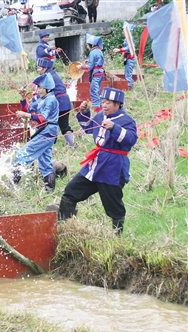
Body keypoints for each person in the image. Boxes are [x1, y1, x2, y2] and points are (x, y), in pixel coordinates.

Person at [56, 88, 138, 235]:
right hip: (95, 164)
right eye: (103, 102)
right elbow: (89, 128)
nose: (104, 105)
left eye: (108, 103)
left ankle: (117, 237)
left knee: (114, 206)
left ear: (118, 104)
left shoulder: (127, 120)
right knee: (70, 192)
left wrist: (114, 128)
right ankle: (63, 229)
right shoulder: (101, 115)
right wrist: (85, 113)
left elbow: (131, 140)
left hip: (113, 166)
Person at [12, 73, 59, 192]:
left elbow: (43, 118)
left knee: (21, 155)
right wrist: (23, 97)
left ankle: (12, 185)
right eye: (38, 87)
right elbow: (28, 109)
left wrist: (26, 115)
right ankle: (50, 190)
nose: (38, 90)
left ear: (48, 89)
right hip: (43, 131)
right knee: (45, 163)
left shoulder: (51, 100)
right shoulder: (41, 99)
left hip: (46, 133)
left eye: (41, 88)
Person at [36, 58, 75, 149]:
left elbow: (44, 93)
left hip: (57, 104)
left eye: (39, 68)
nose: (38, 70)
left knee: (50, 126)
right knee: (65, 126)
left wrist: (35, 100)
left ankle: (48, 148)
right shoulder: (53, 73)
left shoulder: (46, 77)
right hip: (65, 102)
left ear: (44, 68)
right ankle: (72, 147)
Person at [77, 33, 105, 113]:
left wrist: (81, 66)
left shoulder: (92, 53)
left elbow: (89, 67)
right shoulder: (99, 51)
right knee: (97, 91)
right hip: (101, 73)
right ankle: (100, 108)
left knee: (94, 92)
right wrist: (89, 61)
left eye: (87, 45)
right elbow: (98, 61)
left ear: (91, 45)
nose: (87, 46)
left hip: (96, 74)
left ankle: (97, 110)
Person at [113, 21, 136, 89]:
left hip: (130, 58)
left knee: (128, 73)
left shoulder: (130, 38)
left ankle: (130, 86)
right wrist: (123, 53)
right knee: (126, 72)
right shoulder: (126, 39)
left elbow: (129, 47)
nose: (122, 32)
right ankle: (129, 84)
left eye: (123, 31)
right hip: (127, 58)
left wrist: (119, 50)